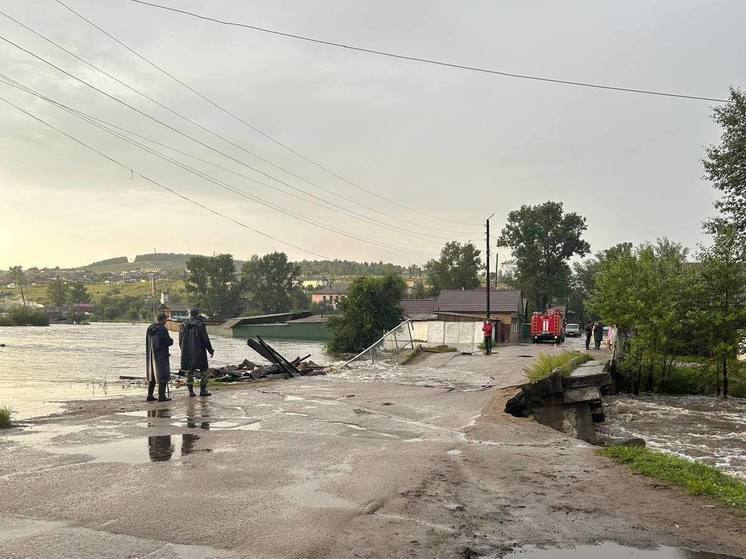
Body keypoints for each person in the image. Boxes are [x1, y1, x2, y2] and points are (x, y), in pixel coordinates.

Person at [179, 308, 215, 397]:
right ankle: (203, 390)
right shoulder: (200, 324)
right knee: (204, 371)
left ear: (190, 314)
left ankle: (191, 391)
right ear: (198, 314)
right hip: (199, 351)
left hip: (187, 352)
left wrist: (183, 349)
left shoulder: (183, 324)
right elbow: (205, 339)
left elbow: (180, 339)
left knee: (189, 372)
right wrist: (210, 350)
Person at [145, 313, 173, 402]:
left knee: (152, 375)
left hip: (151, 355)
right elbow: (167, 341)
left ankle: (150, 395)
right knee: (163, 375)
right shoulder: (162, 329)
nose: (166, 321)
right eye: (166, 319)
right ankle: (162, 396)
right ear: (162, 319)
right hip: (161, 355)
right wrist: (171, 340)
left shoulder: (150, 328)